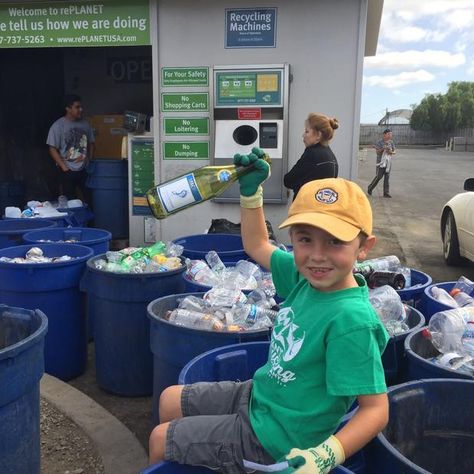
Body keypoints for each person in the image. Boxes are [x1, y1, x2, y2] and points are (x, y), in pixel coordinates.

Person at [148, 149, 389, 474]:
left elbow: (375, 410)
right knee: (168, 399)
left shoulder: (351, 320)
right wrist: (250, 193)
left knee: (161, 439)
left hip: (274, 440)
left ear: (364, 247)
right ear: (293, 239)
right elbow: (258, 245)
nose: (318, 256)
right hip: (259, 396)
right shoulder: (305, 278)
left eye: (335, 242)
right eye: (305, 239)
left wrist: (326, 455)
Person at [46, 94, 95, 201]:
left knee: (90, 200)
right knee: (70, 202)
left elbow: (91, 143)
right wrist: (64, 167)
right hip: (67, 171)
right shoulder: (58, 125)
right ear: (68, 108)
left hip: (84, 170)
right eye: (77, 107)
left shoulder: (86, 124)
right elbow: (52, 148)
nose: (81, 110)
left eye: (81, 107)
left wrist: (89, 160)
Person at [284, 112, 339, 199]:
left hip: (306, 208)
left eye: (307, 131)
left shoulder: (312, 154)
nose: (303, 135)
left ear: (318, 135)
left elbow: (288, 180)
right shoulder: (331, 156)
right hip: (323, 208)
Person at [367, 128, 396, 198]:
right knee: (379, 176)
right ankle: (370, 188)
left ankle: (386, 192)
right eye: (388, 134)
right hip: (381, 163)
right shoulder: (379, 142)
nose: (390, 136)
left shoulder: (391, 142)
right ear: (384, 134)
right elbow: (377, 152)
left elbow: (394, 151)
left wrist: (391, 152)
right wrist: (383, 148)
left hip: (388, 163)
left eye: (391, 134)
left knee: (387, 177)